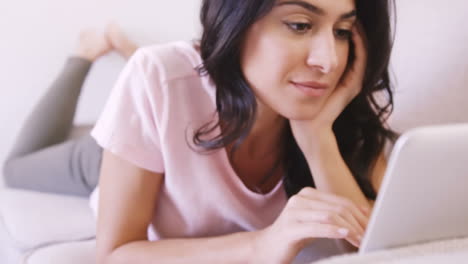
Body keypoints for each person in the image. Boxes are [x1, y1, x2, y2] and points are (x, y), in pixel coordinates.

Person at [92, 0, 398, 263]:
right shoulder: (156, 75)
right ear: (235, 23)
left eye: (342, 32)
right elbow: (114, 255)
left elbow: (372, 248)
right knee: (44, 154)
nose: (328, 61)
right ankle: (87, 53)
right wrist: (260, 245)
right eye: (300, 25)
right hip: (106, 155)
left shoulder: (335, 106)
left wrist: (317, 138)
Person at [2, 23, 139, 197]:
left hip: (126, 147)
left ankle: (138, 64)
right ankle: (142, 65)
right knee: (15, 169)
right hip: (127, 147)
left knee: (14, 169)